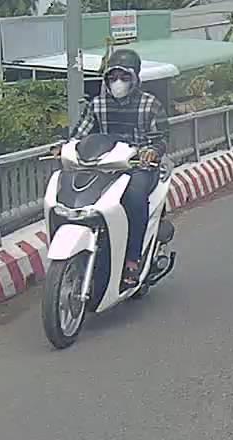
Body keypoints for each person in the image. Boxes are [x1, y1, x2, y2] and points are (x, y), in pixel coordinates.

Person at [65, 48, 167, 287]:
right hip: (104, 167)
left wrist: (152, 151)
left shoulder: (150, 105)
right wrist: (64, 148)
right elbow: (79, 135)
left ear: (135, 78)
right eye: (112, 77)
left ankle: (132, 259)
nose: (117, 82)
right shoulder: (97, 105)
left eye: (123, 77)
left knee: (134, 196)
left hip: (139, 167)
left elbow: (160, 138)